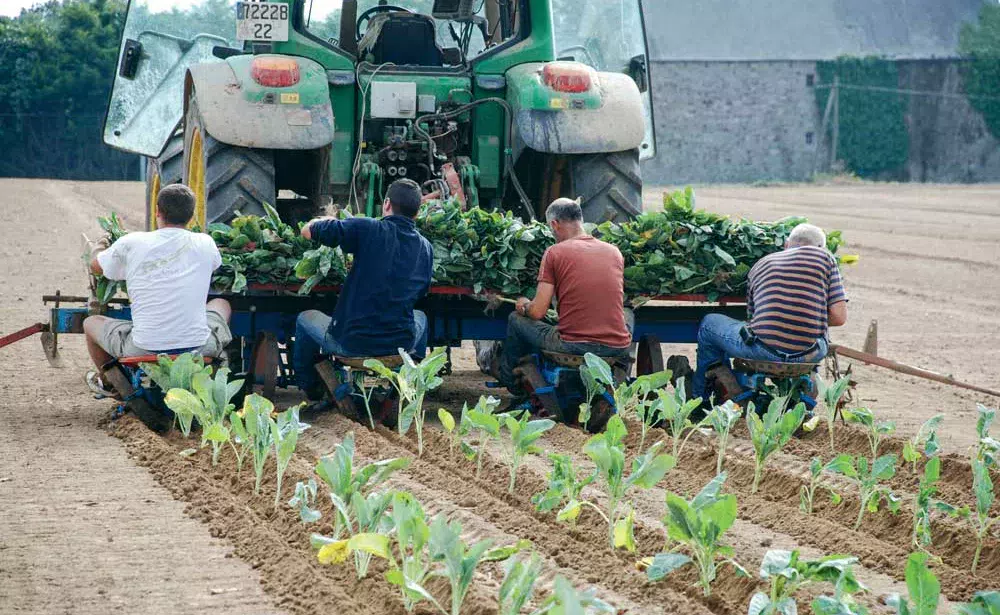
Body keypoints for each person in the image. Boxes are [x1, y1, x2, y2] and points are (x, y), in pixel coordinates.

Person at [83, 184, 233, 393]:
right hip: (199, 347)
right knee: (221, 303)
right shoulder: (205, 242)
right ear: (191, 216)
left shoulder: (131, 242)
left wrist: (101, 245)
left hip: (143, 346)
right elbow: (216, 264)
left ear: (157, 211)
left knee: (90, 323)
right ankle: (216, 369)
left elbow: (96, 267)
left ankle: (110, 383)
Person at [294, 178, 433, 399]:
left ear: (386, 204)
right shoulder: (426, 248)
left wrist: (327, 218)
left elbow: (307, 231)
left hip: (350, 344)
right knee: (421, 317)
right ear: (417, 212)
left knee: (304, 318)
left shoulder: (367, 228)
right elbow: (420, 292)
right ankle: (409, 385)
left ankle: (310, 388)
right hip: (399, 346)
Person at [691, 223, 848, 399]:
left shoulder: (760, 264)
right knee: (821, 334)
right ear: (821, 247)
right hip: (809, 354)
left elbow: (753, 318)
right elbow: (839, 317)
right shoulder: (825, 258)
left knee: (708, 324)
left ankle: (700, 399)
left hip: (763, 351)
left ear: (786, 244)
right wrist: (808, 317)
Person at [497, 198, 634, 393]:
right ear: (580, 219)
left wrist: (524, 305)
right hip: (617, 348)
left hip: (573, 347)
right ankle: (620, 370)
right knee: (628, 313)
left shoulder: (554, 253)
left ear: (554, 224)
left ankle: (512, 385)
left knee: (515, 319)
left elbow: (538, 312)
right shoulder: (614, 252)